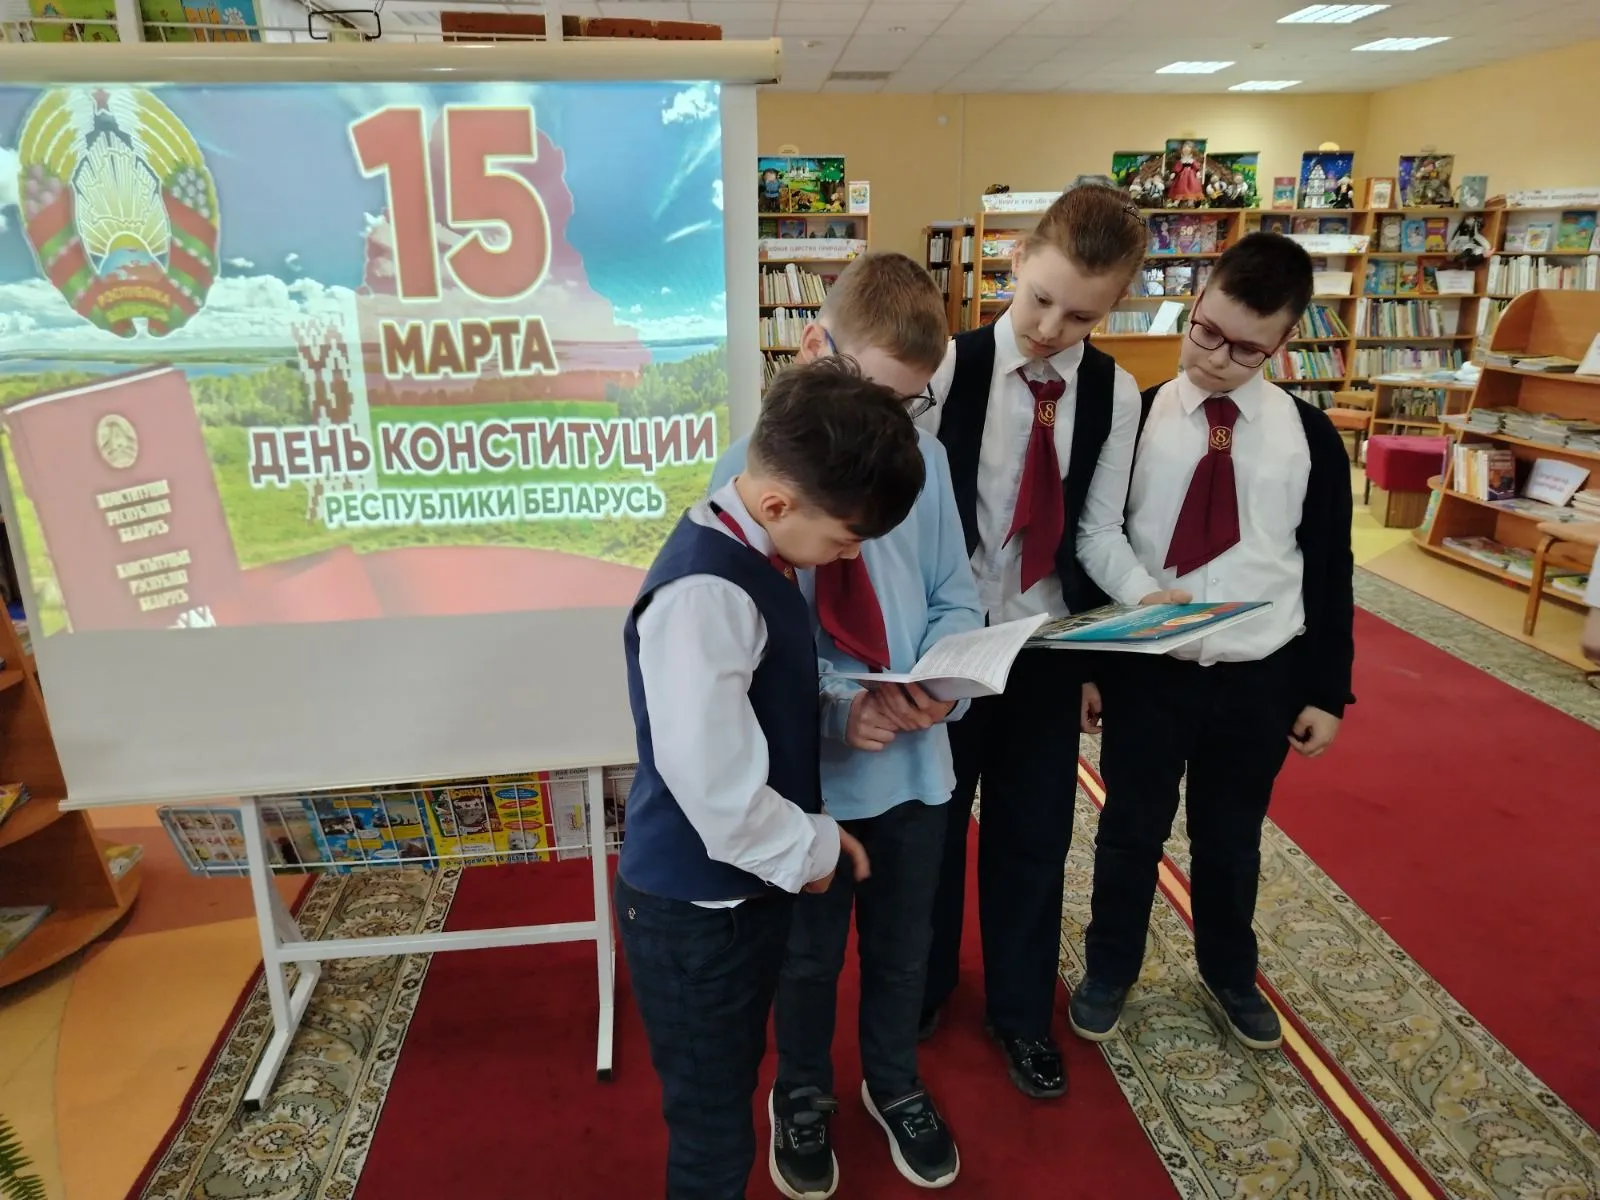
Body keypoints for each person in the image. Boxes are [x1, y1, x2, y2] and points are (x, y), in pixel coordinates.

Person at [616, 358, 927, 1200]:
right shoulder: (705, 595)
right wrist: (815, 848)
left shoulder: (757, 550)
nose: (851, 555)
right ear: (781, 504)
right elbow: (716, 791)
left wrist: (836, 707)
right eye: (846, 538)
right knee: (714, 1132)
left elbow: (761, 686)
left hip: (734, 898)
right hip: (695, 911)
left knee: (731, 1086)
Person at [709, 250, 982, 1196]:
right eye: (873, 395)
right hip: (811, 779)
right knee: (807, 957)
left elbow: (954, 595)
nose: (888, 426)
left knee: (905, 951)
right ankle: (802, 1093)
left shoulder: (927, 465)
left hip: (916, 769)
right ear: (813, 345)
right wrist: (836, 705)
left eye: (906, 405)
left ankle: (893, 1082)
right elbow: (750, 646)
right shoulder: (753, 473)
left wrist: (942, 681)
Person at [916, 183, 1179, 1099]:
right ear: (1018, 259)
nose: (1050, 329)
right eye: (1040, 300)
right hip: (947, 643)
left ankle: (1021, 1012)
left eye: (1082, 317)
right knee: (932, 829)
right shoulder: (947, 367)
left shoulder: (1113, 393)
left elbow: (1097, 533)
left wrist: (1150, 599)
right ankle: (923, 988)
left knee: (1033, 837)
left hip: (1043, 647)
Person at [1069, 231, 1356, 1051]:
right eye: (1206, 332)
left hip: (1258, 675)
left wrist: (1326, 690)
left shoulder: (1309, 438)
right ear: (1194, 301)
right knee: (1130, 830)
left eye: (1246, 349)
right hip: (1151, 671)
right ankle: (1110, 966)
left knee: (1231, 840)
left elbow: (1328, 570)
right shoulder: (1133, 418)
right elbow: (1096, 541)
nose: (1217, 359)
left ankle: (1229, 971)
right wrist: (1091, 663)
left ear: (1285, 341)